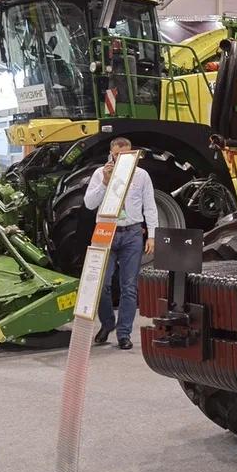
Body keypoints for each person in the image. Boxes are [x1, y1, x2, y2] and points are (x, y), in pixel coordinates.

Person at [83, 137, 157, 350]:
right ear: (111, 154)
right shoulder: (100, 174)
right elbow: (89, 204)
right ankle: (107, 323)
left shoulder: (142, 175)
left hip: (132, 232)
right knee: (102, 284)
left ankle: (124, 333)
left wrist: (151, 235)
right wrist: (105, 183)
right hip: (106, 230)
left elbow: (150, 206)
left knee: (129, 286)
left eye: (127, 155)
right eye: (117, 155)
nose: (121, 159)